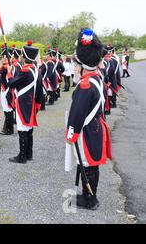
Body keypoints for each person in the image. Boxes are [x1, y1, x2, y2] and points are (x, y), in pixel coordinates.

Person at [65, 28, 112, 210]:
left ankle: (90, 199)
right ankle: (89, 195)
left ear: (83, 65)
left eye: (77, 65)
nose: (75, 68)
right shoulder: (96, 78)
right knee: (90, 163)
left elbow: (77, 115)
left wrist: (71, 133)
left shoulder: (85, 85)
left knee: (87, 162)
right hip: (94, 127)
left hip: (87, 130)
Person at [7, 40, 45, 164]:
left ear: (25, 56)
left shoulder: (25, 71)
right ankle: (29, 154)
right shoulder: (35, 70)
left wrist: (9, 72)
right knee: (29, 128)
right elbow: (40, 90)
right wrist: (38, 105)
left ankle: (22, 156)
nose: (22, 56)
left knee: (22, 128)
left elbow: (11, 83)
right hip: (32, 103)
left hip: (23, 103)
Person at [0, 44, 15, 134]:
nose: (2, 57)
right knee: (8, 110)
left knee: (7, 110)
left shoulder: (6, 68)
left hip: (6, 90)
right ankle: (9, 128)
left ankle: (9, 129)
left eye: (3, 56)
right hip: (6, 89)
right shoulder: (8, 66)